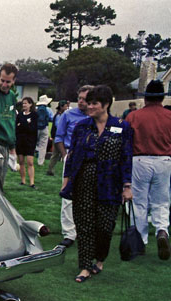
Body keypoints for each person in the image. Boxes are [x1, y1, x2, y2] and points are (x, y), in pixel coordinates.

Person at [60, 85, 133, 282]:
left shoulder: (122, 126)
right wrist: (67, 181)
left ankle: (99, 259)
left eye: (94, 103)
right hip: (84, 179)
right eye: (88, 103)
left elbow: (126, 157)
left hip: (110, 183)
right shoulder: (82, 126)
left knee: (105, 226)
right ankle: (84, 266)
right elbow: (72, 155)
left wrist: (127, 186)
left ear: (106, 104)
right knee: (84, 225)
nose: (89, 106)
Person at [126, 80, 171, 260]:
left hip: (140, 159)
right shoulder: (169, 116)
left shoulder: (134, 116)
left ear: (145, 98)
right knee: (161, 200)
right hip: (164, 160)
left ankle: (140, 241)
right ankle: (162, 230)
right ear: (162, 97)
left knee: (139, 202)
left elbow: (127, 142)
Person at [53, 85, 93, 248]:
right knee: (68, 195)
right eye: (80, 98)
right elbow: (59, 137)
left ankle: (85, 230)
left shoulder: (96, 115)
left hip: (91, 158)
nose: (81, 102)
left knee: (89, 195)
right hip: (72, 156)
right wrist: (65, 156)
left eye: (85, 99)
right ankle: (69, 233)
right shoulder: (68, 115)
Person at [15, 97, 38, 188]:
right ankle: (23, 180)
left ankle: (32, 182)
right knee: (21, 161)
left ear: (30, 104)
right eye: (23, 103)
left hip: (30, 141)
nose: (24, 105)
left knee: (30, 162)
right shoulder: (20, 115)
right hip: (20, 141)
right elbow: (17, 127)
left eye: (26, 103)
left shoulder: (34, 115)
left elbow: (32, 128)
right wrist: (24, 125)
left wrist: (23, 125)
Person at [46, 100, 69, 176]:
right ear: (61, 107)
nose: (67, 107)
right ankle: (50, 169)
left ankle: (50, 169)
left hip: (57, 136)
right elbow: (58, 126)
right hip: (59, 137)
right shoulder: (60, 116)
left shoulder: (57, 115)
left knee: (55, 154)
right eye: (65, 106)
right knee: (57, 154)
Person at [35, 95, 54, 166]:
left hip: (36, 128)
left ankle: (31, 154)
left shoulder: (36, 109)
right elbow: (51, 118)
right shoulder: (48, 109)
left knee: (33, 142)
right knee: (43, 145)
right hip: (44, 128)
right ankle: (40, 162)